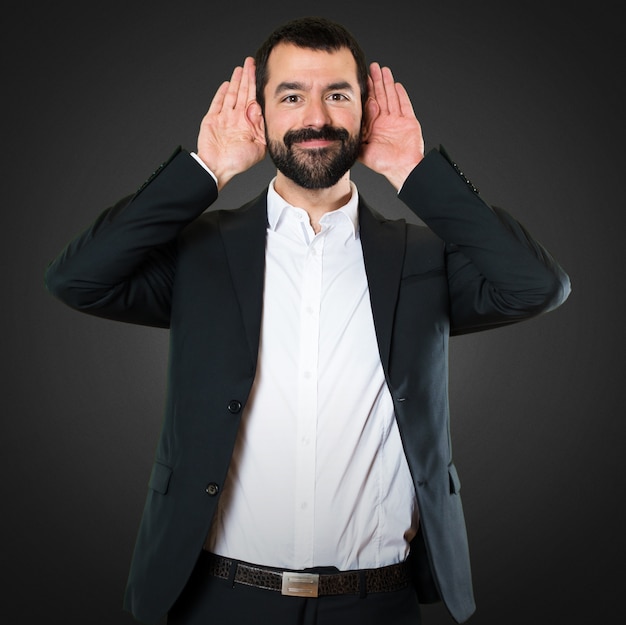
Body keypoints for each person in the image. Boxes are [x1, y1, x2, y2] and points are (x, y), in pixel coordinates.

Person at [44, 16, 570, 625]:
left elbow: (537, 285)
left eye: (337, 94)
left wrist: (414, 173)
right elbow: (75, 278)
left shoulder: (424, 258)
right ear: (260, 113)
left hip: (379, 604)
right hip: (221, 600)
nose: (315, 117)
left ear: (364, 112)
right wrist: (204, 171)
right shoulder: (200, 253)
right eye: (291, 96)